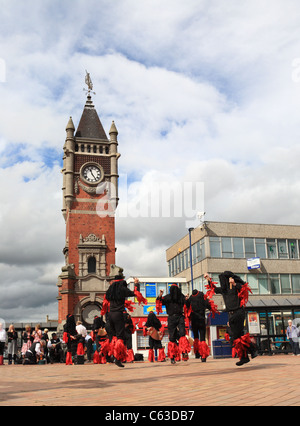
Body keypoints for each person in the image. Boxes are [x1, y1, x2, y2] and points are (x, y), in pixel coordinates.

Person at [204, 271, 257, 366]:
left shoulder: (236, 286)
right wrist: (208, 279)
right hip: (231, 314)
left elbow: (244, 289)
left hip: (239, 312)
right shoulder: (223, 290)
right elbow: (214, 289)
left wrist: (234, 284)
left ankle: (252, 350)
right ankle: (246, 356)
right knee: (237, 337)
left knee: (234, 336)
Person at [105, 275, 147, 368]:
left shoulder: (110, 290)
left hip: (110, 314)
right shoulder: (122, 289)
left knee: (114, 336)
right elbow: (135, 293)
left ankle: (112, 354)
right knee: (120, 336)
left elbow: (106, 300)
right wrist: (136, 284)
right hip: (118, 314)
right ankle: (118, 358)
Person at [156, 283, 191, 364]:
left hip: (179, 317)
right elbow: (160, 302)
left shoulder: (181, 297)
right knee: (172, 337)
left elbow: (187, 305)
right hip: (172, 317)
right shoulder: (168, 297)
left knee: (182, 333)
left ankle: (184, 352)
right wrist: (160, 295)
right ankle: (173, 356)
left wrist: (187, 299)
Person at [185, 289, 212, 362]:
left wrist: (186, 299)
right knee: (202, 337)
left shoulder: (191, 298)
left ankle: (197, 352)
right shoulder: (201, 296)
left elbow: (187, 306)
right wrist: (209, 305)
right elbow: (208, 305)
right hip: (201, 319)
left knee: (196, 336)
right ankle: (203, 356)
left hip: (194, 320)